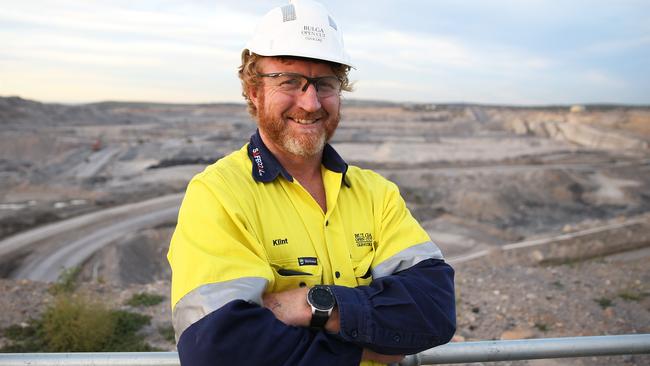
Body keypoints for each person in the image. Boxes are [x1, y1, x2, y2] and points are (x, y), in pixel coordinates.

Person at [167, 1, 456, 365]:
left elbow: (434, 309)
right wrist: (366, 348)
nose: (310, 102)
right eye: (289, 81)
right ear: (254, 91)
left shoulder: (377, 194)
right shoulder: (218, 194)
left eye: (325, 83)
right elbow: (217, 347)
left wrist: (313, 305)